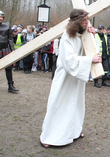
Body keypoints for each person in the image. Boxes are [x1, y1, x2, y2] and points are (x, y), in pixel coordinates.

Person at [40, 9, 101, 148]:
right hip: (65, 78)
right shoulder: (67, 36)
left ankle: (74, 132)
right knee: (59, 104)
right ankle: (50, 136)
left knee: (76, 105)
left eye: (87, 20)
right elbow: (69, 61)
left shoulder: (84, 33)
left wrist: (92, 35)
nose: (87, 23)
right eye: (84, 20)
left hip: (77, 78)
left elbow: (92, 50)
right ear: (76, 22)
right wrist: (89, 60)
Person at [0, 10, 19, 94]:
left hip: (5, 49)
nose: (0, 18)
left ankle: (11, 86)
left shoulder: (6, 26)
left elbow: (10, 38)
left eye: (1, 17)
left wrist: (12, 50)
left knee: (9, 68)